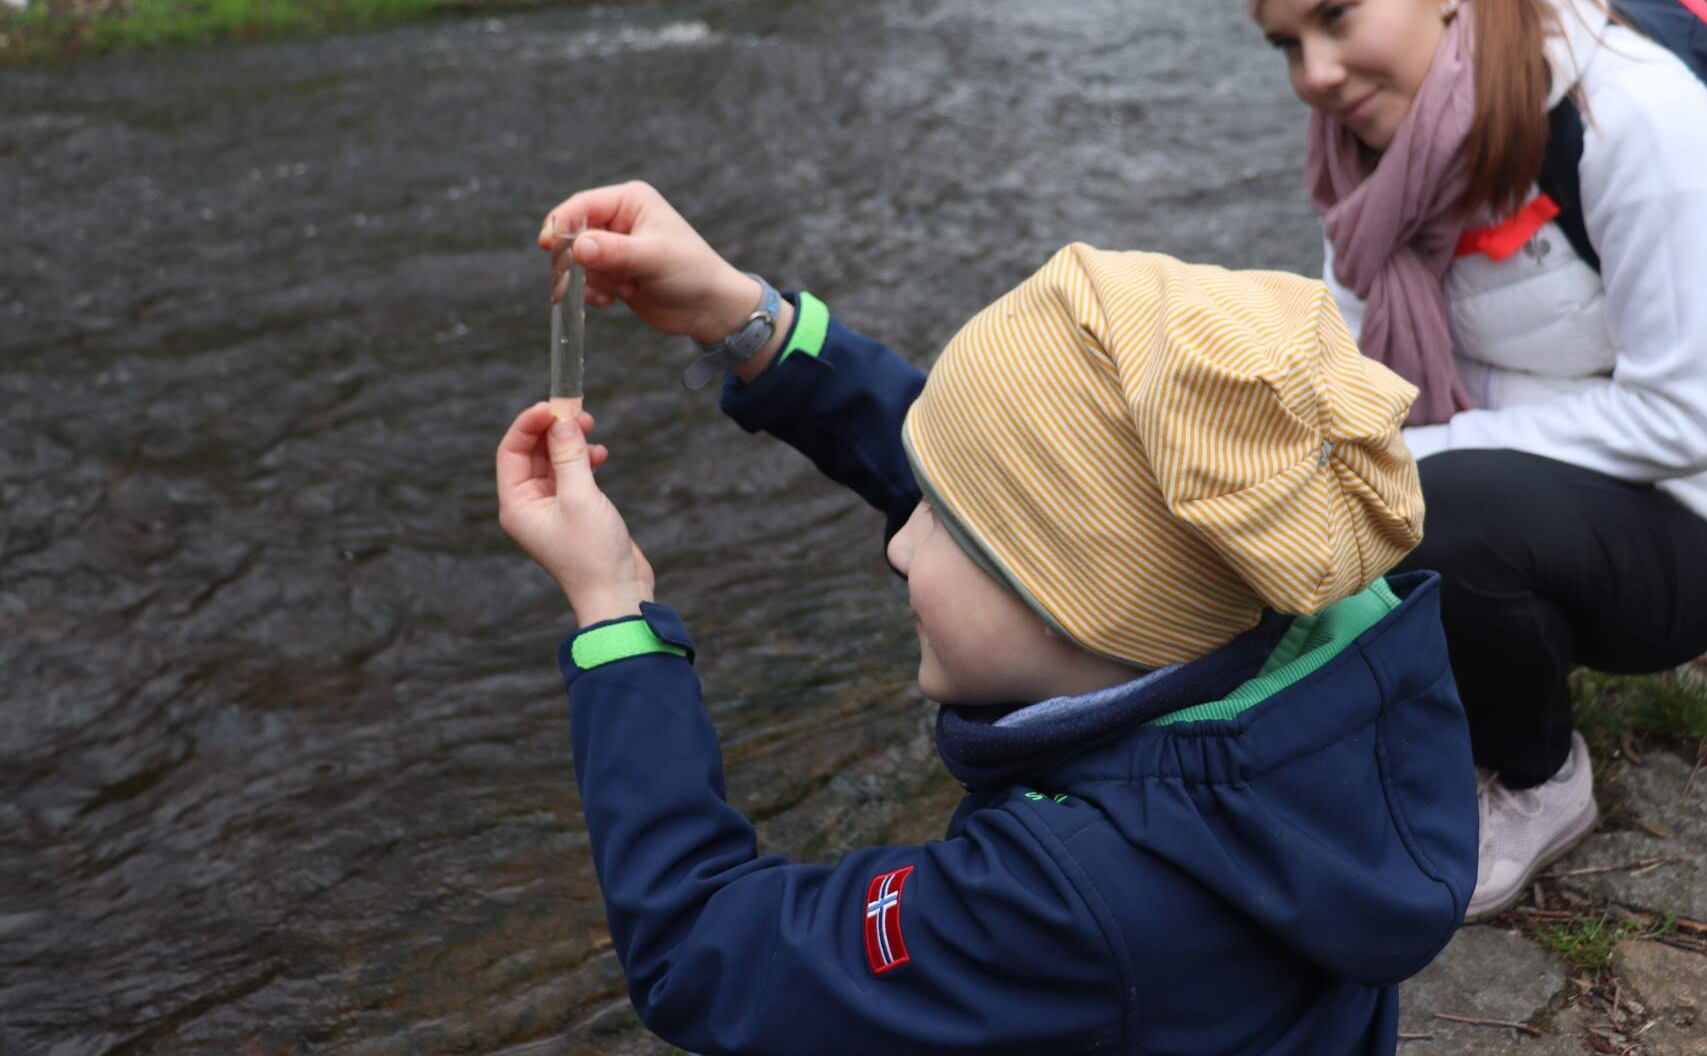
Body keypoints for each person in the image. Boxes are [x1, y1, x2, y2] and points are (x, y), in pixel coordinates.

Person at [496, 181, 1476, 1055]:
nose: (899, 544)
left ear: (1070, 604)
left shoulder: (1065, 901)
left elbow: (704, 951)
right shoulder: (1306, 605)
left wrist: (616, 617)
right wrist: (747, 320)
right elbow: (1045, 502)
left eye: (939, 521)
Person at [1224, 0, 1707, 920]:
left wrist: (1407, 452)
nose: (1313, 74)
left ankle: (1536, 774)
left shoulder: (1632, 116)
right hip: (1500, 480)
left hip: (1682, 524)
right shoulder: (1368, 145)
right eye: (1286, 42)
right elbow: (1344, 359)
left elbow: (1692, 415)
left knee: (1431, 509)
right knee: (1276, 485)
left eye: (1335, 15)